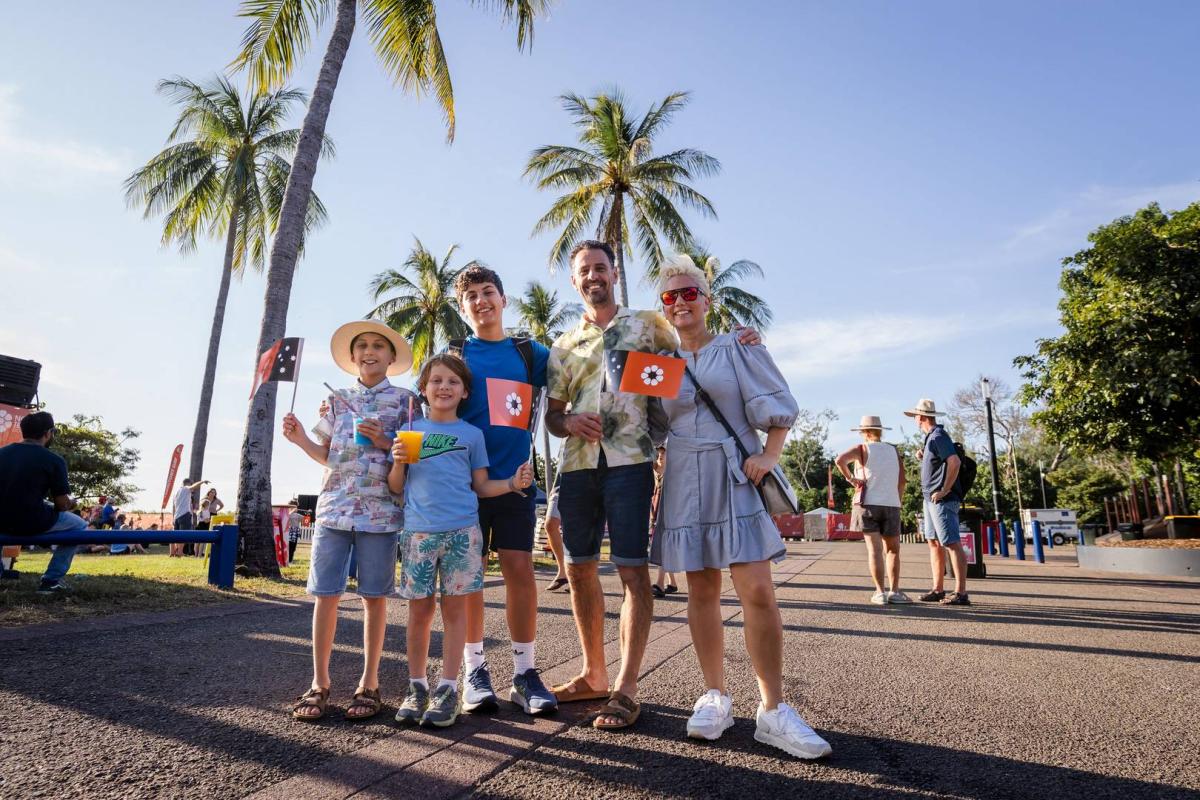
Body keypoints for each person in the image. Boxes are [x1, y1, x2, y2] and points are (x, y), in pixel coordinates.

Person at [545, 240, 760, 731]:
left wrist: (740, 340)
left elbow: (693, 354)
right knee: (578, 570)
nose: (593, 276)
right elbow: (554, 416)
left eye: (601, 267)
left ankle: (625, 686)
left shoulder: (650, 325)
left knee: (632, 573)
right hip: (577, 467)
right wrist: (569, 422)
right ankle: (592, 672)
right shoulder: (563, 345)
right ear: (574, 280)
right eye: (584, 270)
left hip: (632, 461)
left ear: (614, 273)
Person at [648, 255, 831, 758]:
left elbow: (778, 403)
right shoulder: (659, 364)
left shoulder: (737, 346)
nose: (681, 302)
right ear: (662, 308)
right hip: (685, 476)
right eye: (670, 296)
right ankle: (715, 696)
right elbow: (651, 425)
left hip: (734, 472)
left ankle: (772, 709)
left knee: (757, 590)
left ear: (708, 300)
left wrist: (768, 454)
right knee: (701, 591)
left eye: (690, 293)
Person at [282, 319, 419, 722]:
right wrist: (299, 439)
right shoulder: (336, 400)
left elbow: (409, 459)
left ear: (392, 357)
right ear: (353, 355)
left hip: (382, 511)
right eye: (362, 346)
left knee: (374, 598)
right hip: (333, 510)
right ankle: (319, 683)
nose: (370, 351)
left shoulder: (408, 402)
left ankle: (369, 683)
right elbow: (327, 455)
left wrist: (383, 440)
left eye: (379, 345)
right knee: (325, 595)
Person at [389, 354, 535, 728]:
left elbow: (482, 486)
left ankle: (449, 688)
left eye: (452, 382)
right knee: (420, 612)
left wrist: (512, 484)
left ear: (465, 391)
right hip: (419, 534)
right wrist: (398, 461)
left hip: (463, 535)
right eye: (436, 380)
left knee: (455, 612)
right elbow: (395, 487)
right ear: (423, 389)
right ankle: (417, 686)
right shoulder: (410, 430)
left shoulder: (472, 435)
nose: (444, 387)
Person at [449, 265, 558, 716]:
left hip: (515, 483)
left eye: (488, 292)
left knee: (519, 570)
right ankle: (474, 670)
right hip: (464, 485)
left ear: (503, 298)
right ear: (462, 307)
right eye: (471, 295)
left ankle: (525, 672)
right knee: (470, 575)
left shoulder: (531, 353)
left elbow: (589, 367)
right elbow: (431, 410)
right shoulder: (454, 356)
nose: (481, 301)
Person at [0, 411, 88, 593]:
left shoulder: (2, 453)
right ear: (48, 433)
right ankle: (51, 579)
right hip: (32, 520)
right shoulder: (54, 460)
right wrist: (72, 502)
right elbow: (62, 504)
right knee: (79, 525)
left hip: (1, 519)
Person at [835, 416, 909, 605]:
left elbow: (839, 460)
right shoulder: (893, 451)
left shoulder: (861, 449)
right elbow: (902, 481)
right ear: (880, 431)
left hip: (868, 504)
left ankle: (879, 592)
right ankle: (895, 591)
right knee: (893, 550)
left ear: (864, 432)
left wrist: (851, 478)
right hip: (891, 504)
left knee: (875, 550)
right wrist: (897, 501)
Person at [904, 398, 970, 606]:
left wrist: (945, 490)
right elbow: (941, 462)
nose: (914, 418)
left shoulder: (938, 436)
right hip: (930, 499)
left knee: (951, 542)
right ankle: (938, 589)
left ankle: (960, 592)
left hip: (941, 499)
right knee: (933, 542)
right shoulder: (931, 438)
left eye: (915, 415)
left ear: (922, 417)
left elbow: (954, 462)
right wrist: (924, 456)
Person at [171, 477, 207, 556]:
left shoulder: (176, 492)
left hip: (176, 516)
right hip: (184, 515)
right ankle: (180, 552)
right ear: (188, 483)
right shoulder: (186, 488)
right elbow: (193, 487)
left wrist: (173, 518)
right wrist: (203, 481)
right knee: (183, 535)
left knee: (176, 535)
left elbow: (173, 507)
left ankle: (175, 551)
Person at [543, 477, 568, 592]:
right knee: (550, 525)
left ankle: (577, 576)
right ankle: (563, 572)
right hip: (560, 485)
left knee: (575, 530)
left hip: (585, 482)